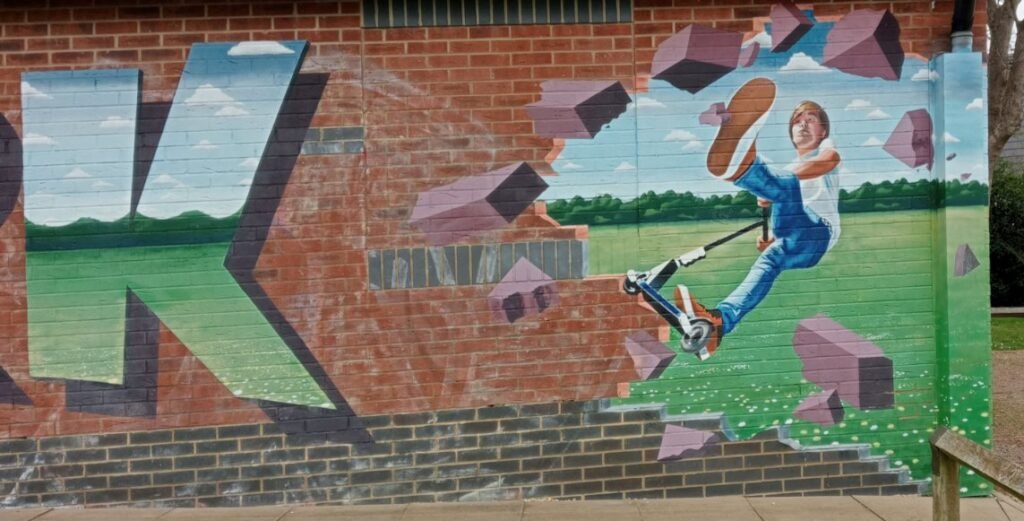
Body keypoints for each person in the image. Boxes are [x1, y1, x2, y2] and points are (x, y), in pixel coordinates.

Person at [689, 77, 842, 357]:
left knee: (781, 184)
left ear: (823, 131)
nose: (803, 124)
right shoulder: (789, 169)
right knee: (768, 262)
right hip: (798, 245)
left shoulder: (823, 149)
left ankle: (744, 167)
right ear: (790, 132)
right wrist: (771, 238)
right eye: (797, 121)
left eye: (811, 120)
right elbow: (787, 213)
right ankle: (719, 323)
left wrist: (774, 185)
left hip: (819, 233)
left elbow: (829, 161)